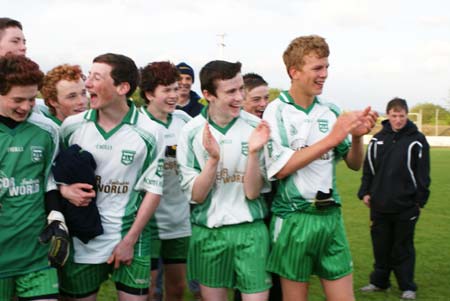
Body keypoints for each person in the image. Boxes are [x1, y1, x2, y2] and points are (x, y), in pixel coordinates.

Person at [262, 35, 378, 301]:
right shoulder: (275, 111)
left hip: (330, 217)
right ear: (295, 72)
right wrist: (333, 138)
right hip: (293, 218)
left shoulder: (330, 110)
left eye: (326, 67)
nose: (324, 74)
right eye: (317, 68)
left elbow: (354, 163)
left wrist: (358, 136)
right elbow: (281, 169)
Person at [58, 53, 165, 301]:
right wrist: (64, 191)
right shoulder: (71, 127)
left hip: (129, 235)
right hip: (82, 237)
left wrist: (130, 240)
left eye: (97, 77)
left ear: (122, 87)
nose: (88, 84)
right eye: (89, 76)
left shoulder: (150, 132)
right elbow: (57, 176)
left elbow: (153, 190)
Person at [177, 60, 272, 301]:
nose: (239, 97)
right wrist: (213, 159)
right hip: (209, 233)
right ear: (208, 94)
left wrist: (252, 153)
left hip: (250, 230)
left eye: (241, 89)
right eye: (230, 91)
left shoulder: (256, 127)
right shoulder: (191, 131)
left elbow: (252, 193)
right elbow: (196, 196)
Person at [358, 97, 430, 300]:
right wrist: (365, 191)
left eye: (402, 116)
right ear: (387, 116)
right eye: (394, 116)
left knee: (402, 247)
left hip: (406, 206)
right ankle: (379, 282)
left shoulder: (417, 140)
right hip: (379, 205)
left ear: (407, 116)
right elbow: (368, 169)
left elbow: (423, 173)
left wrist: (420, 200)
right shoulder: (377, 139)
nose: (398, 120)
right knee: (380, 247)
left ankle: (408, 287)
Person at [0, 55, 60, 300]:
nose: (25, 107)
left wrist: (57, 214)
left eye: (31, 99)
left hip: (37, 254)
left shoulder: (48, 131)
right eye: (17, 99)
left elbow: (49, 179)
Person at [139, 61, 191, 301]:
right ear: (149, 94)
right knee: (147, 290)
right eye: (167, 90)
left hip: (177, 217)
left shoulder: (183, 121)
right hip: (146, 222)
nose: (174, 95)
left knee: (178, 287)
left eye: (175, 88)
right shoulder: (137, 125)